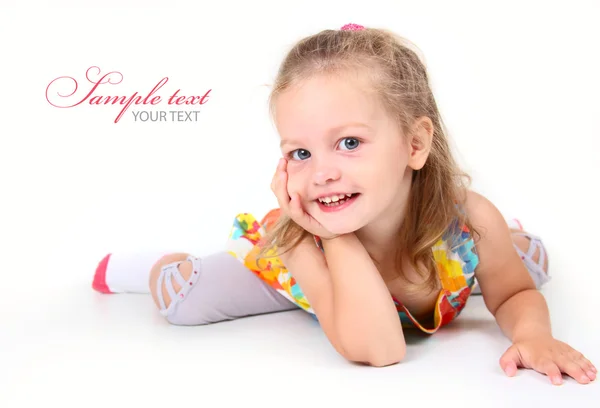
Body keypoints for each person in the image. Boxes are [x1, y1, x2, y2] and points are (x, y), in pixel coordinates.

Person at [92, 23, 596, 384]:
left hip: (430, 237)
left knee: (513, 260)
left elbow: (511, 297)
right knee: (187, 299)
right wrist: (330, 234)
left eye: (350, 143)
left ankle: (515, 245)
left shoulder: (470, 221)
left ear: (415, 145)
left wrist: (533, 334)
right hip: (303, 260)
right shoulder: (303, 242)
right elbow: (380, 349)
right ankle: (157, 267)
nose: (322, 171)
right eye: (301, 152)